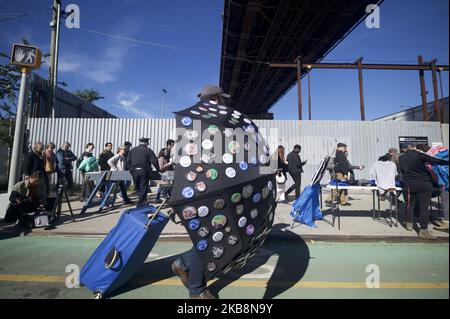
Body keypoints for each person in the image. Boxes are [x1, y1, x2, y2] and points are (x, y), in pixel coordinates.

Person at [171, 84, 232, 300]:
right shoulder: (214, 121)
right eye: (221, 98)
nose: (224, 102)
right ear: (215, 98)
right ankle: (197, 290)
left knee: (207, 236)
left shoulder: (192, 124)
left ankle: (184, 263)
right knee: (207, 239)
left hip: (196, 188)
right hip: (208, 190)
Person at [399, 145, 449, 239]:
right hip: (424, 184)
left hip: (409, 185)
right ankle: (423, 230)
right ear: (414, 147)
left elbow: (402, 171)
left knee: (410, 204)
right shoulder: (420, 155)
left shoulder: (401, 158)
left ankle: (409, 223)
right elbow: (436, 160)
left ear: (405, 149)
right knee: (424, 208)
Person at [125, 137, 160, 207]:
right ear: (147, 143)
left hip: (134, 171)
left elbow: (128, 161)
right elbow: (155, 161)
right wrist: (158, 169)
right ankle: (141, 204)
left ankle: (142, 201)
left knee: (137, 187)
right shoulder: (148, 150)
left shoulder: (133, 150)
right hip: (144, 171)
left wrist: (129, 169)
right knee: (143, 187)